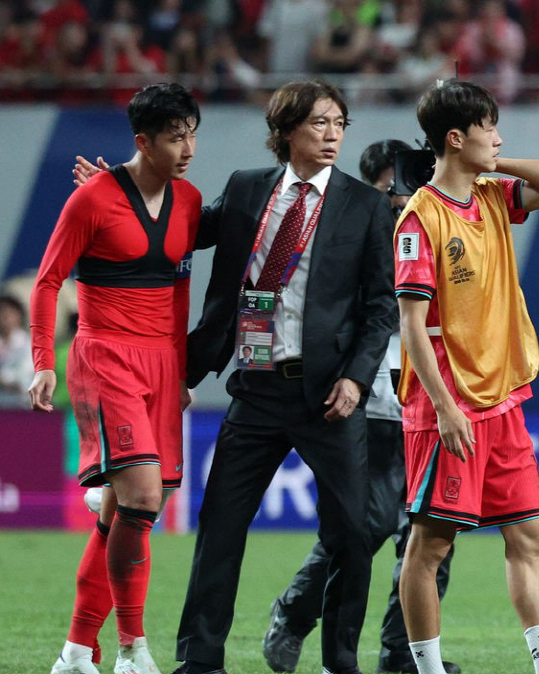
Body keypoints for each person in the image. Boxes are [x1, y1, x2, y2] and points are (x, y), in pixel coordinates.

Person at [394, 79, 539, 674]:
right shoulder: (421, 219)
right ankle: (426, 668)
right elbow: (412, 326)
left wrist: (490, 163)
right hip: (448, 401)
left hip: (502, 397)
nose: (498, 136)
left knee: (530, 536)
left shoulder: (493, 198)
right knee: (432, 544)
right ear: (454, 138)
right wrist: (443, 407)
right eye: (489, 128)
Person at [175, 79, 396, 674]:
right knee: (219, 527)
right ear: (287, 131)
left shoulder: (366, 205)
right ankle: (199, 662)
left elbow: (381, 305)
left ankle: (340, 661)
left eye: (339, 124)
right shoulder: (247, 190)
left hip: (329, 395)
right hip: (255, 386)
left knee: (353, 532)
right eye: (319, 123)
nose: (332, 135)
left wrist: (356, 379)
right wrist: (119, 189)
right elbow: (182, 229)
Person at [261, 140, 460, 674]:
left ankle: (402, 655)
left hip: (429, 400)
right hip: (370, 402)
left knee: (434, 537)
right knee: (364, 527)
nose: (397, 200)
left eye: (405, 188)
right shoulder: (345, 233)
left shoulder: (434, 226)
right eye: (387, 190)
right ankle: (294, 612)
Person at [28, 82, 202, 674]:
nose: (188, 147)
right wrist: (42, 364)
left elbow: (180, 290)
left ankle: (77, 651)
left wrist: (180, 370)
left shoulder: (189, 200)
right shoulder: (92, 199)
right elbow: (49, 281)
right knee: (145, 499)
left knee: (119, 513)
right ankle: (133, 648)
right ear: (142, 141)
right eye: (175, 137)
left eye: (192, 134)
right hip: (106, 356)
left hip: (160, 363)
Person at [0, 293, 33, 409]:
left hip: (21, 406)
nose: (5, 318)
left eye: (9, 313)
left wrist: (2, 378)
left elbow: (26, 375)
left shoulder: (30, 345)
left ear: (19, 316)